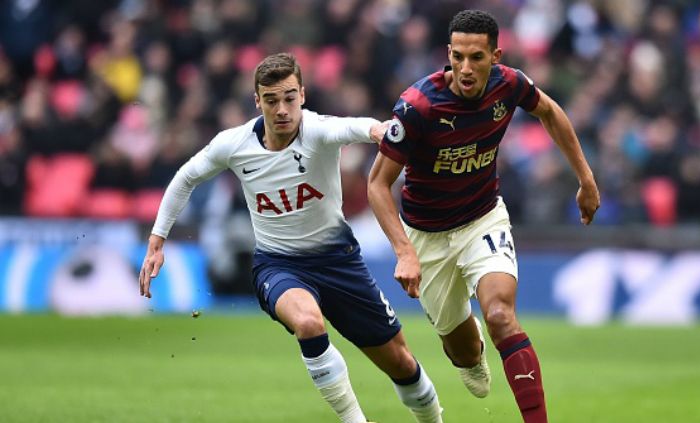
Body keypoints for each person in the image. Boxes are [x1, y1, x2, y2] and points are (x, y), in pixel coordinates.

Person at [139, 53, 443, 423]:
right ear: (257, 101)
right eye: (271, 100)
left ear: (302, 94)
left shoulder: (317, 130)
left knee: (400, 361)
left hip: (338, 260)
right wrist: (157, 241)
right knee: (309, 324)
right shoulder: (233, 144)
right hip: (278, 265)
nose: (282, 109)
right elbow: (186, 177)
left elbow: (357, 127)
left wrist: (381, 132)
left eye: (289, 98)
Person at [367, 10, 600, 423]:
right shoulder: (419, 105)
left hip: (482, 219)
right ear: (448, 54)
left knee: (500, 316)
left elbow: (548, 110)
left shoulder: (509, 84)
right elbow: (376, 184)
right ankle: (470, 348)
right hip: (426, 236)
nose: (466, 68)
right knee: (462, 354)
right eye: (458, 56)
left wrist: (585, 177)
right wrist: (404, 252)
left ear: (496, 55)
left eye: (476, 57)